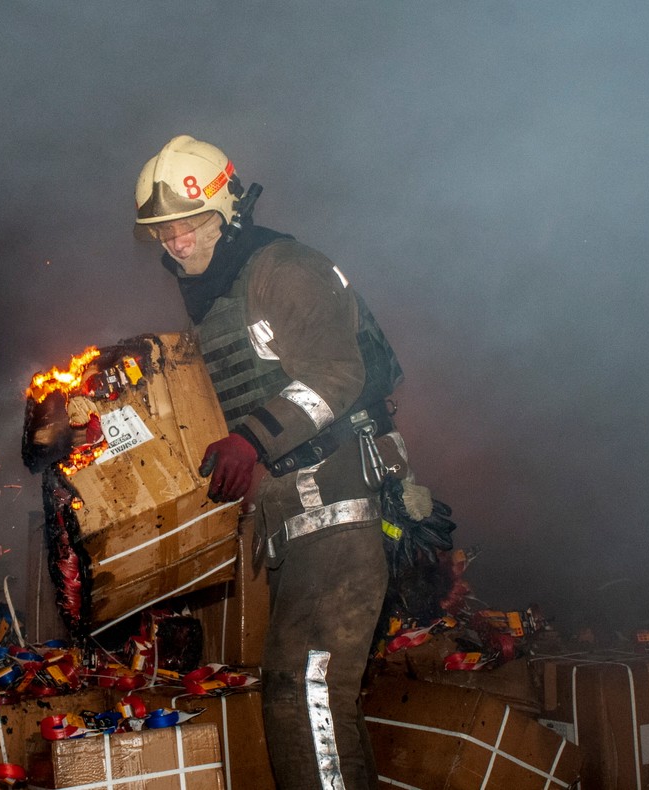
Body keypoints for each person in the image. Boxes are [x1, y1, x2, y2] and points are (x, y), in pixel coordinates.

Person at [134, 135, 432, 788]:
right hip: (298, 520)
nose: (176, 240)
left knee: (306, 692)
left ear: (226, 212)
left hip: (341, 509)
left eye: (189, 221)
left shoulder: (282, 268)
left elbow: (336, 373)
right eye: (162, 230)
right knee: (302, 695)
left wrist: (252, 441)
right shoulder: (218, 302)